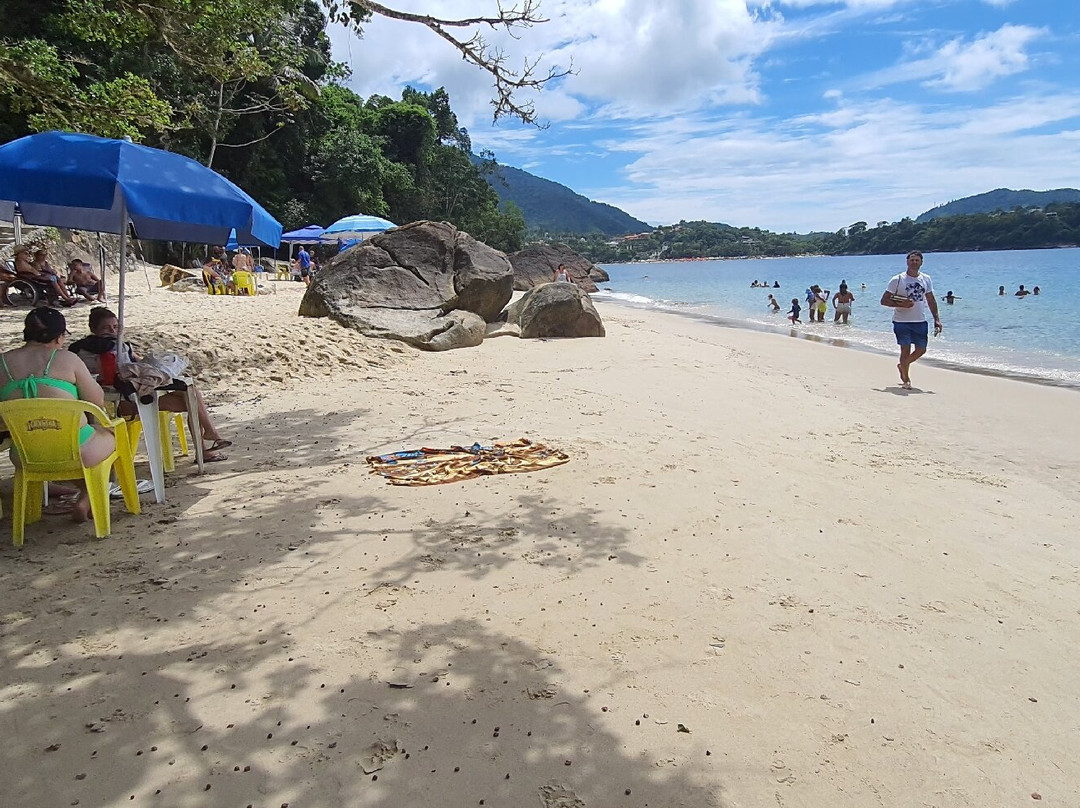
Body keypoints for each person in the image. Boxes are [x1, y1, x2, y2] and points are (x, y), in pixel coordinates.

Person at [67, 308, 232, 462]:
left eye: (116, 327)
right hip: (118, 404)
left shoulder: (120, 346)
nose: (112, 331)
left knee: (192, 395)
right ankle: (207, 441)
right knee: (192, 399)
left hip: (131, 397)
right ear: (93, 329)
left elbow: (136, 363)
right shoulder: (83, 351)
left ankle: (208, 439)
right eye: (106, 328)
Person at [1, 308, 118, 522]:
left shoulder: (3, 363)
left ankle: (84, 494)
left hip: (25, 455)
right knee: (111, 434)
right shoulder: (67, 359)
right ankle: (89, 497)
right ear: (59, 336)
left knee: (57, 443)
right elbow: (96, 400)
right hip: (77, 450)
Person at [880, 250, 941, 390]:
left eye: (917, 260)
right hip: (901, 321)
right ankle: (906, 379)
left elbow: (930, 299)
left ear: (921, 262)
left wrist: (936, 319)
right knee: (905, 350)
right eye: (912, 260)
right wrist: (901, 304)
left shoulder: (926, 279)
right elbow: (883, 301)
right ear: (907, 262)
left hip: (920, 320)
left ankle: (903, 365)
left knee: (921, 349)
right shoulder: (897, 280)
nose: (914, 262)